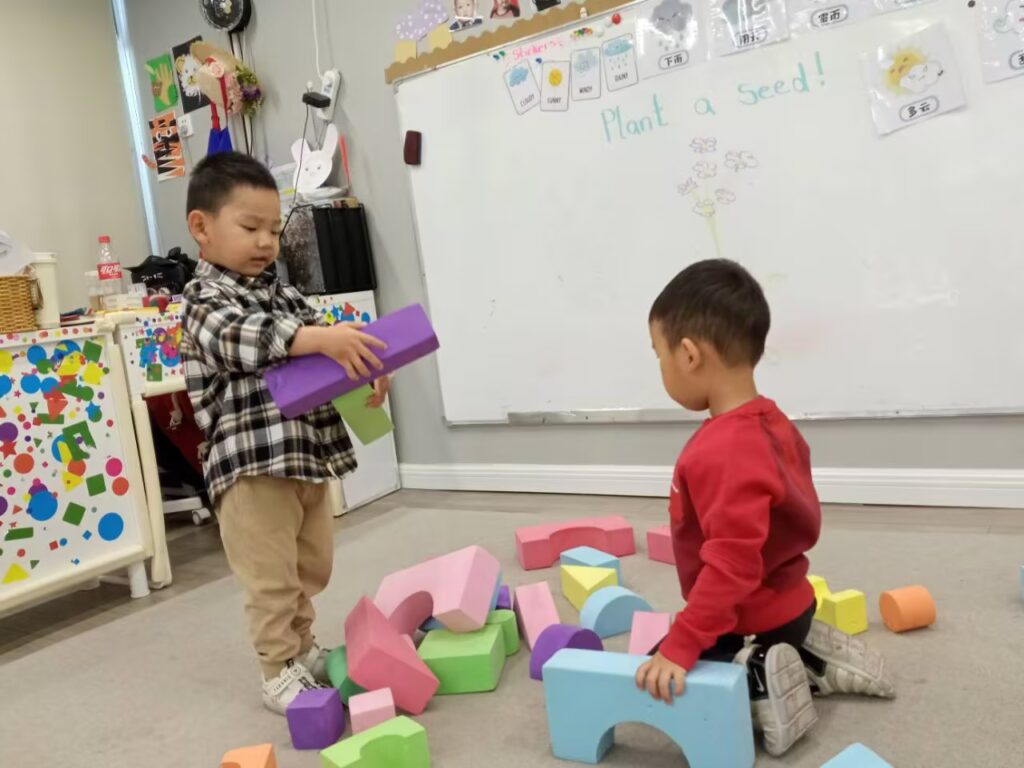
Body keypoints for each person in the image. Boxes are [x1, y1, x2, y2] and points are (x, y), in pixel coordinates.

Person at [635, 260, 895, 756]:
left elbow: (731, 565)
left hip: (748, 620)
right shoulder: (773, 423)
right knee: (681, 652)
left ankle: (757, 676)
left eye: (658, 354)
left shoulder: (722, 450)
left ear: (688, 355)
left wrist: (681, 644)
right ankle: (806, 654)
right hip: (794, 603)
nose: (661, 368)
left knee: (656, 672)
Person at [180, 152, 390, 714]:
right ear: (201, 227)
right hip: (249, 466)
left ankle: (301, 648)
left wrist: (365, 365)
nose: (266, 242)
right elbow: (242, 337)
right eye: (250, 227)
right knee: (270, 576)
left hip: (303, 455)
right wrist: (319, 339)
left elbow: (322, 347)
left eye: (274, 230)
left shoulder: (284, 294)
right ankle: (277, 669)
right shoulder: (203, 299)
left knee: (309, 564)